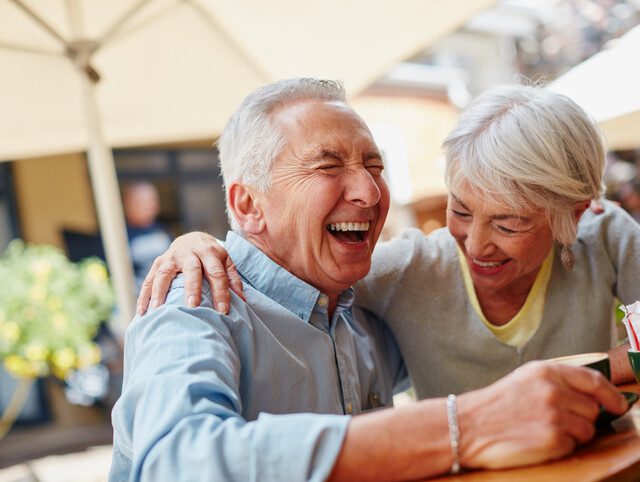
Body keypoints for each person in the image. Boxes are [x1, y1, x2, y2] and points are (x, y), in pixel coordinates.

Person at [112, 79, 626, 482]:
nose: (368, 190)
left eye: (374, 164)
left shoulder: (361, 314)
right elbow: (175, 465)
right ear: (249, 204)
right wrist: (460, 428)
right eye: (328, 166)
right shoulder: (195, 300)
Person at [122, 181, 172, 293]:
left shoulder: (162, 230)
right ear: (128, 204)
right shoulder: (119, 235)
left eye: (152, 200)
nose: (149, 205)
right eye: (141, 201)